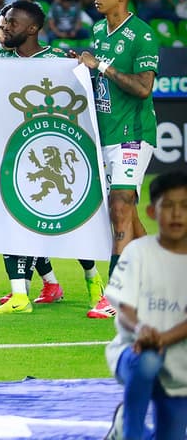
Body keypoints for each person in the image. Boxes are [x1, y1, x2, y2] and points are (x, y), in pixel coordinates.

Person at [0, 1, 104, 315]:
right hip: (12, 151)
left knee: (68, 223)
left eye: (12, 23)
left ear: (32, 29)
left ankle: (93, 280)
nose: (5, 27)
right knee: (10, 217)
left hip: (52, 149)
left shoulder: (59, 59)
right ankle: (19, 295)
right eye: (6, 22)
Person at [73, 0, 160, 320]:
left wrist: (103, 67)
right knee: (126, 213)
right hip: (106, 134)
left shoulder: (143, 35)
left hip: (134, 135)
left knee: (120, 207)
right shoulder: (98, 30)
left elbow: (143, 88)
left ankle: (116, 294)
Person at [102, 171, 187, 440]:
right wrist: (141, 330)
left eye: (184, 206)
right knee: (149, 360)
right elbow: (124, 306)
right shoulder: (138, 252)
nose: (176, 214)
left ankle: (123, 426)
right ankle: (130, 430)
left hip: (180, 364)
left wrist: (160, 337)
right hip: (134, 350)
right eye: (168, 206)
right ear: (152, 211)